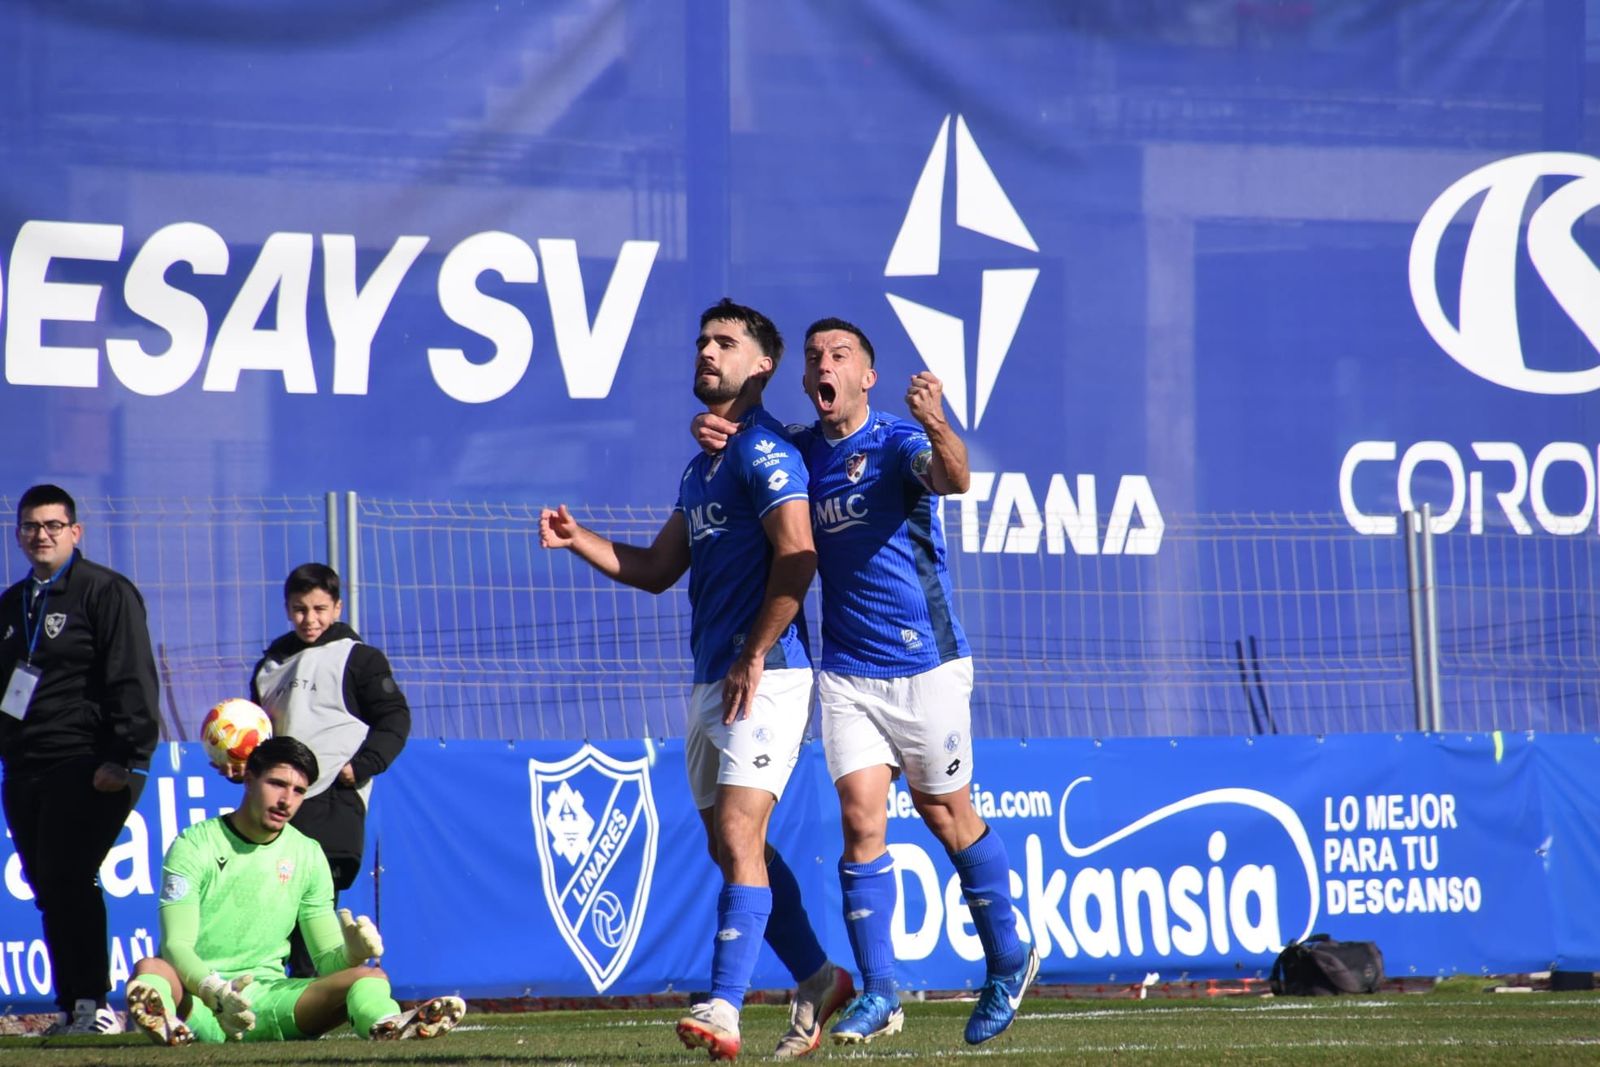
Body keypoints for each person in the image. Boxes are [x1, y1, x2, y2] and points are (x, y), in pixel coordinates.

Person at [694, 318, 1038, 1046]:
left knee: (946, 814)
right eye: (815, 356)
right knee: (860, 822)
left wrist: (937, 422)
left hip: (926, 661)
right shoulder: (801, 451)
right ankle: (882, 989)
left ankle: (1009, 955)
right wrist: (716, 431)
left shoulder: (894, 441)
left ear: (866, 376)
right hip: (849, 672)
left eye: (839, 355)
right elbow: (752, 450)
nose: (824, 364)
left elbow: (954, 477)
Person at [541, 298, 852, 1061]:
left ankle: (722, 1005)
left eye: (725, 342)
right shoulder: (704, 461)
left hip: (766, 672)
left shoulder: (763, 452)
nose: (706, 351)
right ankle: (816, 976)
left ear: (762, 364)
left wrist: (754, 651)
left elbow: (799, 553)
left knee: (742, 833)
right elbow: (655, 569)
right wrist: (579, 537)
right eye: (702, 341)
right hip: (713, 677)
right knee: (729, 846)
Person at [123, 735, 465, 1045]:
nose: (287, 799)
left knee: (370, 975)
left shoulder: (308, 854)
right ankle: (168, 1023)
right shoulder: (193, 844)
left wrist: (353, 954)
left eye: (298, 791)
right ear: (249, 778)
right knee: (152, 968)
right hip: (200, 1002)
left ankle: (387, 1025)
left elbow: (328, 962)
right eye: (276, 784)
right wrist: (217, 994)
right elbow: (176, 945)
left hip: (271, 1003)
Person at [0, 483, 160, 1035]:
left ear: (75, 531)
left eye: (51, 525)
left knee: (69, 874)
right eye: (29, 526)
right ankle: (72, 1009)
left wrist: (126, 756)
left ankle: (95, 1004)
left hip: (88, 759)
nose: (40, 535)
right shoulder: (12, 603)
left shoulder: (105, 591)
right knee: (48, 885)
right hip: (25, 765)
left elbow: (133, 677)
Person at [233, 563, 410, 978]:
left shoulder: (359, 659)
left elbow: (395, 719)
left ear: (337, 607)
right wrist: (240, 764)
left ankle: (319, 991)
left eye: (319, 608)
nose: (309, 619)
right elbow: (259, 734)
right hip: (279, 805)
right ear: (286, 608)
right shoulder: (270, 667)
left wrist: (360, 768)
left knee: (312, 903)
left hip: (334, 802)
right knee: (277, 905)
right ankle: (296, 994)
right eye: (299, 609)